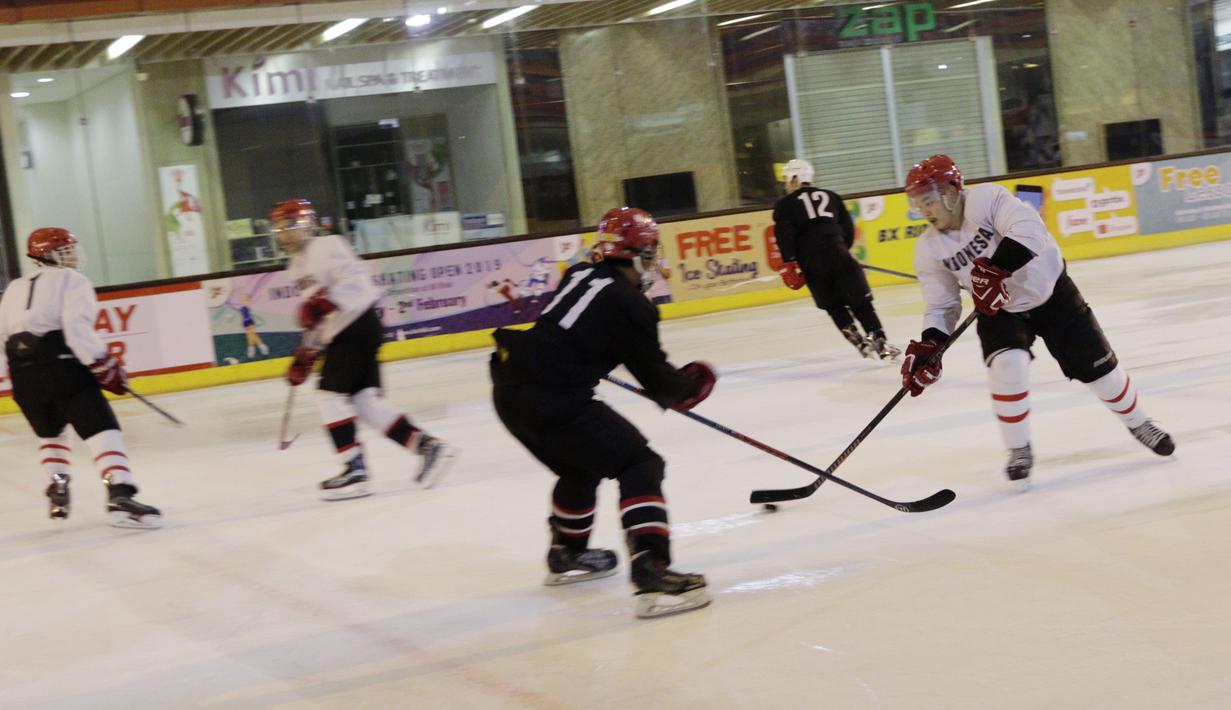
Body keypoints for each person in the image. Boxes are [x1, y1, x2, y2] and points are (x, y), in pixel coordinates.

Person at [490, 206, 715, 619]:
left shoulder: (578, 273)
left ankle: (567, 554)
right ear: (634, 254)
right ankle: (651, 569)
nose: (653, 260)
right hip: (554, 399)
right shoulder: (631, 304)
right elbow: (662, 386)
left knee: (580, 467)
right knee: (641, 464)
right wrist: (693, 385)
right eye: (649, 251)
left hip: (509, 394)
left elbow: (566, 332)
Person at [900, 155, 1175, 488]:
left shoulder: (986, 199)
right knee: (1008, 367)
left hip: (1053, 294)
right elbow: (941, 304)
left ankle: (1140, 423)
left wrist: (997, 268)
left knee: (1102, 375)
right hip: (1000, 310)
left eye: (928, 200)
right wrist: (931, 343)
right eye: (918, 204)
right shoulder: (928, 248)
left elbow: (1031, 230)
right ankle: (1018, 449)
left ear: (952, 190)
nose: (924, 210)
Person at [270, 198, 454, 500]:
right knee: (367, 402)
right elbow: (319, 314)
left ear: (306, 224)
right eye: (279, 228)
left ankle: (354, 470)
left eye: (289, 225)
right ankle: (429, 448)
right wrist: (309, 352)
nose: (284, 233)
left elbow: (357, 282)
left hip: (357, 327)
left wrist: (325, 303)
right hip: (348, 333)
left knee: (329, 396)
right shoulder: (295, 267)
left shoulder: (329, 245)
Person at [0, 228, 161, 528]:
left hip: (24, 379)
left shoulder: (13, 288)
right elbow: (77, 331)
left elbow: (3, 340)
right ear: (49, 254)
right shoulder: (73, 280)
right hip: (63, 370)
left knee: (51, 433)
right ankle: (119, 493)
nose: (73, 256)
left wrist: (18, 380)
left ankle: (57, 484)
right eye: (66, 251)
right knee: (103, 429)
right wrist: (103, 366)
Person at [773, 158, 899, 360]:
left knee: (834, 306)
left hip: (812, 263)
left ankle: (860, 343)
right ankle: (880, 343)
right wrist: (838, 249)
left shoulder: (785, 205)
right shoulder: (831, 196)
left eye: (787, 180)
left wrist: (789, 261)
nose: (786, 184)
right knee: (861, 303)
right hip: (840, 254)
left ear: (794, 178)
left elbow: (784, 234)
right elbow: (848, 229)